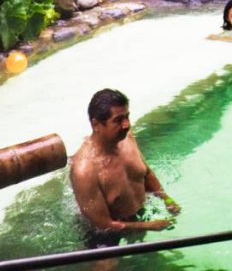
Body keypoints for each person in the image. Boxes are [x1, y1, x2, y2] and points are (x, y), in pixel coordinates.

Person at [70, 89, 180, 252]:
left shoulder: (126, 137)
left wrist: (166, 199)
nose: (126, 125)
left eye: (127, 116)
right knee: (107, 266)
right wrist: (149, 226)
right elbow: (103, 224)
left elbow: (146, 173)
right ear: (96, 125)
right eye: (118, 120)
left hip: (138, 216)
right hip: (106, 232)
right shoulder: (85, 170)